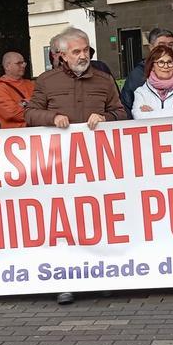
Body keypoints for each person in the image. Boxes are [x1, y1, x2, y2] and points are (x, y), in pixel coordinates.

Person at [25, 27, 126, 305]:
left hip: (97, 166)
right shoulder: (47, 81)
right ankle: (65, 281)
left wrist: (106, 118)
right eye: (76, 51)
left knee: (98, 222)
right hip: (60, 168)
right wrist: (52, 117)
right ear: (61, 55)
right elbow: (30, 114)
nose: (83, 56)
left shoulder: (104, 80)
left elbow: (121, 112)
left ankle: (102, 277)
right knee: (64, 225)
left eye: (86, 50)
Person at [132, 46, 173, 119]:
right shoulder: (141, 92)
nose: (166, 66)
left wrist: (152, 113)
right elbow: (139, 117)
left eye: (169, 62)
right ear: (152, 66)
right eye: (161, 62)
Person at [0, 51, 36, 128]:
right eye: (19, 63)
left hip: (35, 131)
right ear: (7, 66)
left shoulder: (30, 84)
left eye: (23, 63)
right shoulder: (0, 88)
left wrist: (23, 104)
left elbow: (44, 104)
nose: (23, 66)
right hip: (13, 133)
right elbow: (13, 114)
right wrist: (39, 113)